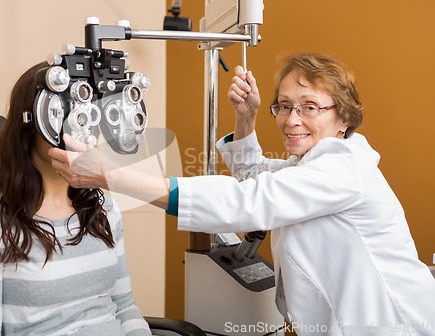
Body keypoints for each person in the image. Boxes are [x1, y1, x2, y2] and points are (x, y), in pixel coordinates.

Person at [49, 53, 435, 335]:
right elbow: (256, 179)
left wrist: (111, 176)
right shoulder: (312, 166)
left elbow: (246, 202)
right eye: (284, 106)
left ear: (344, 118)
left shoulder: (342, 166)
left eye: (310, 107)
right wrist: (246, 118)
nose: (291, 119)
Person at [0, 62, 152, 336]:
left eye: (87, 113)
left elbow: (125, 307)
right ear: (30, 123)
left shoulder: (102, 209)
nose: (80, 127)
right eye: (63, 112)